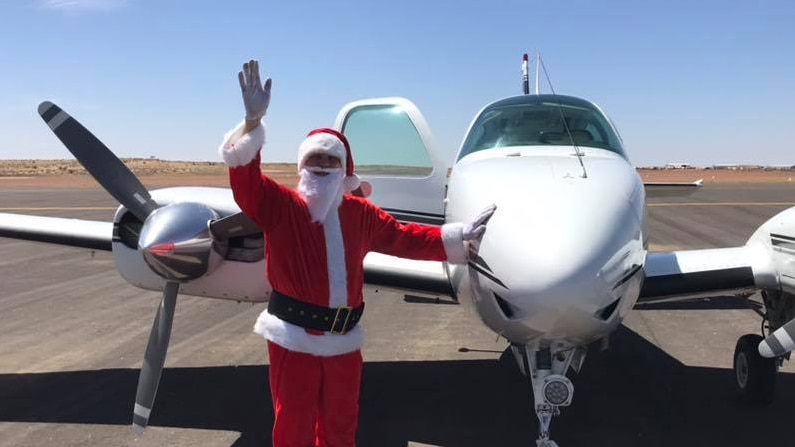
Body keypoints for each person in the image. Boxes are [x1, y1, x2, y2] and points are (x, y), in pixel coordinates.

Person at [218, 59, 496, 447]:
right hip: (293, 338)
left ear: (344, 169)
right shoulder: (279, 206)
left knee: (341, 425)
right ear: (302, 166)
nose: (321, 166)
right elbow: (245, 180)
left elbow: (404, 237)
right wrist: (251, 125)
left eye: (330, 160)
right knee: (293, 426)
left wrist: (457, 240)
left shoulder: (360, 214)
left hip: (344, 341)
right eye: (314, 159)